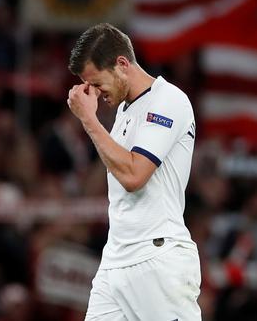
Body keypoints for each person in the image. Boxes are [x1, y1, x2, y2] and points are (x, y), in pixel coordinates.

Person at [67, 23, 201, 321]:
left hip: (157, 259)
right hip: (116, 260)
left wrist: (89, 120)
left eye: (97, 83)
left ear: (122, 64)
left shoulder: (167, 100)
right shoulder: (124, 112)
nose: (95, 93)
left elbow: (133, 176)